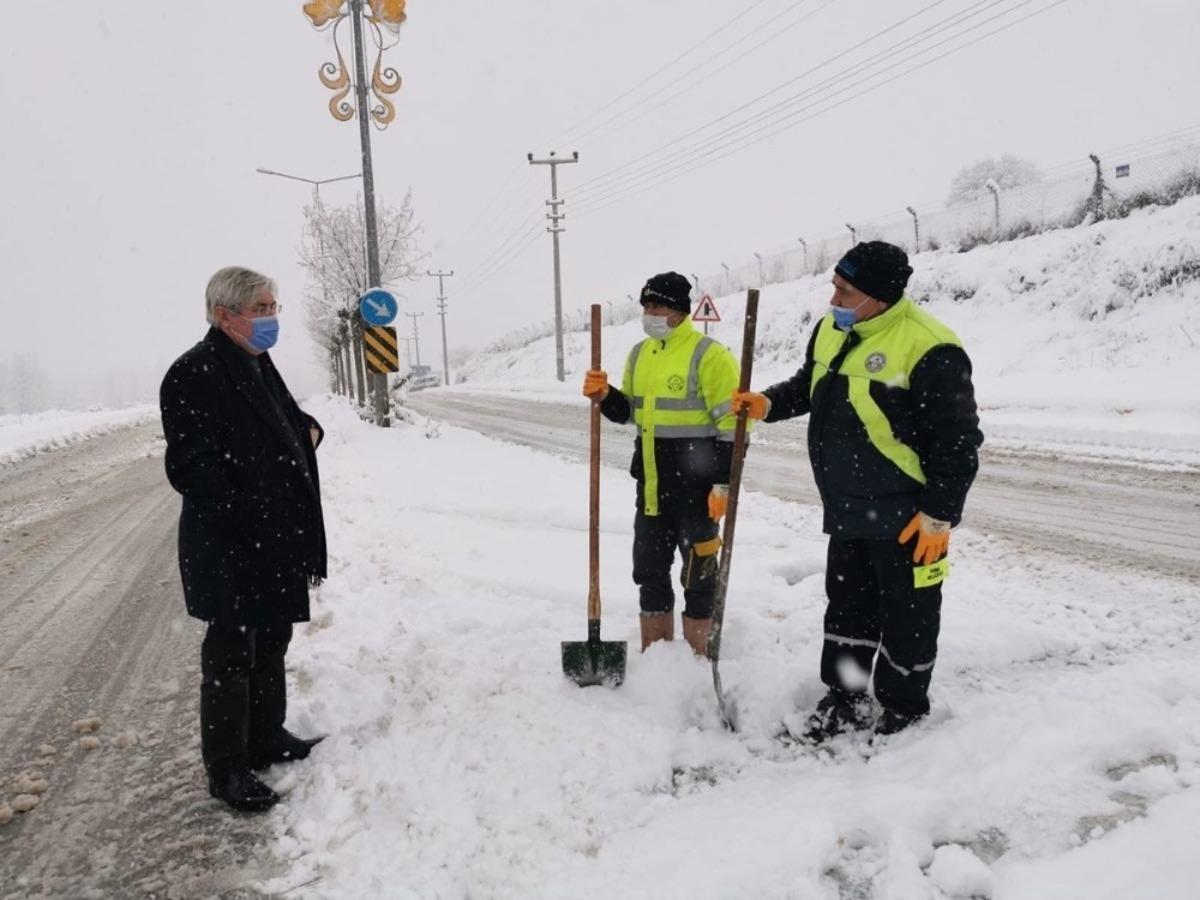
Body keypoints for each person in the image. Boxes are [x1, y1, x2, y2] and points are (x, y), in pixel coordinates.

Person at [732, 241, 982, 740]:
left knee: (909, 618)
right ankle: (846, 696)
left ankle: (903, 709)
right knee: (847, 610)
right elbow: (810, 385)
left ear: (880, 297)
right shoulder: (831, 329)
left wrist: (939, 514)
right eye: (834, 287)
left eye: (845, 291)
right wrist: (767, 403)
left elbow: (958, 442)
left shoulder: (931, 347)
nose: (833, 299)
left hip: (908, 515)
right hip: (847, 507)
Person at [160, 266, 328, 811]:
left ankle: (265, 736)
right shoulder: (194, 373)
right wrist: (250, 510)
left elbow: (283, 418)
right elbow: (192, 468)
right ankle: (227, 769)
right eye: (260, 309)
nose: (271, 318)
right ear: (222, 314)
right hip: (231, 546)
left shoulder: (257, 362)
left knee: (271, 644)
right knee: (231, 655)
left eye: (274, 307)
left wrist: (309, 429)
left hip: (274, 540)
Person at [582, 272, 742, 656]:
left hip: (699, 492)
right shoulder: (640, 354)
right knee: (649, 572)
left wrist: (723, 484)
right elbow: (631, 414)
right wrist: (606, 395)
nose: (649, 313)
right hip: (652, 489)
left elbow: (734, 427)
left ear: (680, 311)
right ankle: (656, 655)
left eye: (658, 306)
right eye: (646, 306)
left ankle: (700, 655)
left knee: (700, 576)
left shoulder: (709, 355)